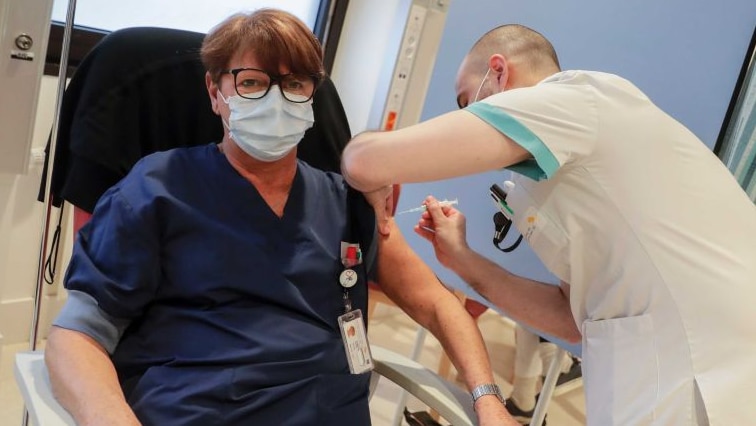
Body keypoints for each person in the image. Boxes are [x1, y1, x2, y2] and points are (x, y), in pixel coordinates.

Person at [44, 10, 516, 425]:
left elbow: (437, 303)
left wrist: (488, 401)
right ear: (215, 92)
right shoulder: (157, 189)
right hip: (198, 409)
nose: (275, 100)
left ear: (312, 96)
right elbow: (77, 335)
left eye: (294, 84)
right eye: (252, 83)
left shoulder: (346, 202)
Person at [341, 23, 756, 425]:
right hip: (659, 372)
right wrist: (462, 259)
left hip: (701, 374)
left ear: (499, 72)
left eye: (467, 103)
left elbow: (364, 161)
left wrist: (370, 171)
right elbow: (568, 320)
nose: (467, 117)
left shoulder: (572, 101)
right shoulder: (562, 167)